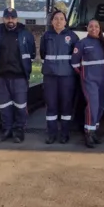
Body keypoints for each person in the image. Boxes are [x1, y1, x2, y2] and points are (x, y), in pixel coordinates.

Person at [0, 7, 36, 143]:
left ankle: (19, 130)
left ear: (17, 19)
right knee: (4, 105)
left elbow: (32, 52)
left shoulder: (25, 33)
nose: (10, 20)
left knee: (20, 105)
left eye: (13, 17)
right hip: (2, 75)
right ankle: (7, 129)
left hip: (19, 76)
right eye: (7, 17)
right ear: (3, 18)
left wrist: (26, 67)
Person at [40, 10, 79, 144]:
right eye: (56, 19)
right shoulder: (46, 36)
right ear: (52, 22)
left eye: (61, 19)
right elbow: (43, 53)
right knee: (51, 105)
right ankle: (51, 134)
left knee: (66, 106)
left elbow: (76, 56)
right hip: (50, 76)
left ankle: (64, 134)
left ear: (65, 21)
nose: (58, 21)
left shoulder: (72, 36)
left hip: (67, 76)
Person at [71, 19, 104, 148]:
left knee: (99, 107)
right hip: (89, 80)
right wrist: (84, 75)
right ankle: (88, 133)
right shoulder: (82, 43)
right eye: (91, 26)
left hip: (102, 80)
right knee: (92, 106)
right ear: (87, 28)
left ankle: (94, 131)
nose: (94, 29)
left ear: (100, 29)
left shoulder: (103, 44)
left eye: (96, 26)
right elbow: (75, 63)